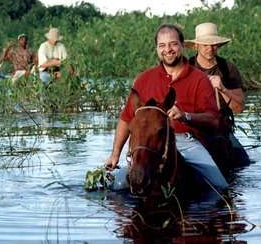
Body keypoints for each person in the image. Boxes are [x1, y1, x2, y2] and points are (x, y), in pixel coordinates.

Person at [105, 24, 228, 190]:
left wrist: (186, 116)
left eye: (173, 44)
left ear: (182, 45)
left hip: (186, 142)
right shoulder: (144, 79)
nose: (167, 50)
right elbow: (127, 119)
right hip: (150, 143)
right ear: (157, 48)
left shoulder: (199, 79)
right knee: (116, 185)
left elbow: (213, 120)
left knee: (220, 187)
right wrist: (115, 154)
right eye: (162, 45)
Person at [185, 22, 250, 167]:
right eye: (205, 45)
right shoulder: (187, 67)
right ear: (196, 46)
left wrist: (222, 89)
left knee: (243, 162)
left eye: (214, 44)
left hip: (221, 127)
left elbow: (239, 108)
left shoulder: (228, 68)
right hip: (195, 125)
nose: (210, 48)